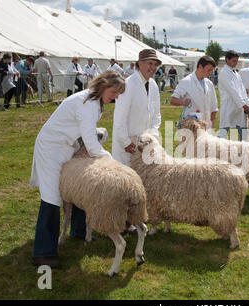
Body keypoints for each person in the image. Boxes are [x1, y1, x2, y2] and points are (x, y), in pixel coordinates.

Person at [30, 70, 124, 268]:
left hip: (66, 147)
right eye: (114, 92)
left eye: (118, 94)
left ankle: (79, 230)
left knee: (79, 186)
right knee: (52, 196)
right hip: (51, 148)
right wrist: (111, 160)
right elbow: (91, 141)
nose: (115, 97)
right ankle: (43, 252)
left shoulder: (94, 102)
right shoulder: (87, 104)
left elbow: (85, 136)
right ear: (104, 85)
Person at [112, 49, 162, 168]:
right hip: (128, 146)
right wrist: (126, 143)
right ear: (140, 63)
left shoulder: (153, 85)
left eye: (155, 64)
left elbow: (156, 114)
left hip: (145, 144)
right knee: (125, 180)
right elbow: (119, 117)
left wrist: (153, 134)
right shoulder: (128, 85)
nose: (153, 67)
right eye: (150, 63)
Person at [170, 55, 218, 129]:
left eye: (211, 70)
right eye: (209, 70)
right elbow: (172, 100)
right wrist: (182, 102)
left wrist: (212, 121)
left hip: (206, 126)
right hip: (190, 126)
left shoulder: (209, 84)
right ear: (200, 67)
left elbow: (214, 106)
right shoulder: (186, 81)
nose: (210, 73)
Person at [217, 50, 249, 141]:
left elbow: (242, 91)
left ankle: (244, 150)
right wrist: (244, 105)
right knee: (224, 132)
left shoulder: (236, 73)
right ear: (227, 60)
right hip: (229, 106)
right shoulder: (224, 73)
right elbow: (233, 92)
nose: (235, 63)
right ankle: (217, 150)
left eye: (237, 61)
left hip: (239, 107)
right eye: (233, 60)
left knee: (244, 132)